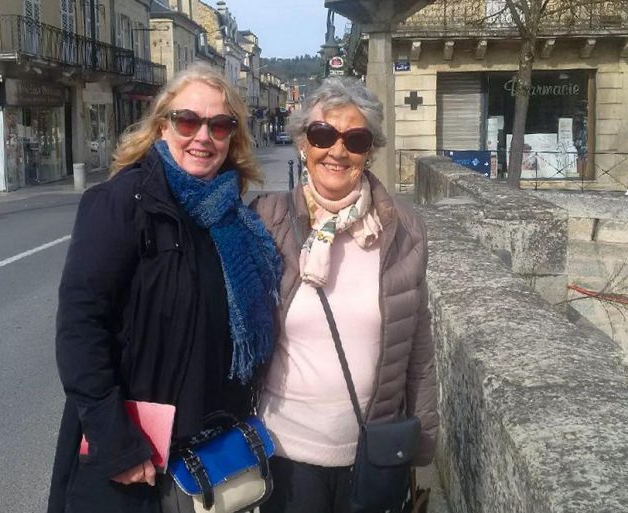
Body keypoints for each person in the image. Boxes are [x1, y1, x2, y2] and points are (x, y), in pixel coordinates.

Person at [47, 64, 282, 513]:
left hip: (212, 450)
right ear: (162, 125)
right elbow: (81, 329)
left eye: (220, 125)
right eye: (188, 121)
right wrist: (115, 441)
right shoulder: (123, 203)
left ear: (233, 136)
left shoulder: (234, 217)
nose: (203, 136)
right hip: (138, 459)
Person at [252, 78, 438, 513]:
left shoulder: (404, 230)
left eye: (355, 139)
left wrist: (423, 442)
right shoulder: (267, 220)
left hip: (371, 450)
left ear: (369, 151)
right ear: (303, 142)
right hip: (285, 449)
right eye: (322, 135)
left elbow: (418, 346)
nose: (337, 151)